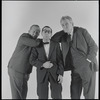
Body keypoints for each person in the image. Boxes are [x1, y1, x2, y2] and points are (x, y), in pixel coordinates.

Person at [51, 16, 98, 99]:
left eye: (66, 24)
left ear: (72, 23)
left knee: (89, 95)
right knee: (74, 94)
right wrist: (65, 30)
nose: (65, 26)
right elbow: (53, 39)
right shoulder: (64, 36)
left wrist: (88, 60)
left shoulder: (82, 31)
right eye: (62, 25)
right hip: (74, 69)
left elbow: (94, 46)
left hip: (87, 67)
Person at [29, 26, 64, 99]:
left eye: (49, 31)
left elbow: (60, 59)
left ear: (51, 34)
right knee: (42, 96)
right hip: (42, 74)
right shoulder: (37, 44)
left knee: (57, 96)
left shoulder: (56, 44)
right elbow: (32, 60)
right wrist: (43, 64)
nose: (47, 33)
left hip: (55, 74)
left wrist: (61, 73)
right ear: (42, 33)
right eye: (45, 31)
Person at [7, 25, 41, 99]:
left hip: (24, 72)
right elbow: (36, 43)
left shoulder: (34, 42)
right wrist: (44, 39)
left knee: (22, 95)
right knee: (17, 96)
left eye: (38, 32)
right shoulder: (24, 37)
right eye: (34, 31)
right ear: (29, 31)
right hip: (16, 70)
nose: (35, 33)